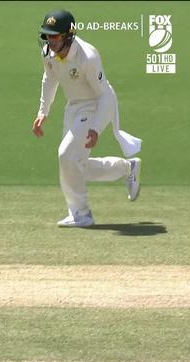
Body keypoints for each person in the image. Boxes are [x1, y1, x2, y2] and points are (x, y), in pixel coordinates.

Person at [33, 10, 143, 227]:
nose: (50, 40)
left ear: (69, 34)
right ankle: (127, 168)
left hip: (95, 105)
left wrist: (95, 127)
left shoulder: (88, 57)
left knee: (66, 155)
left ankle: (81, 214)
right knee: (76, 164)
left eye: (55, 36)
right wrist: (43, 111)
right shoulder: (48, 52)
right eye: (47, 35)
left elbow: (105, 95)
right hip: (73, 107)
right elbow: (50, 78)